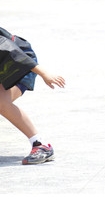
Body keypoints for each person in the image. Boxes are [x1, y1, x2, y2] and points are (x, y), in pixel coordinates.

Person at [0, 27, 65, 165]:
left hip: (21, 64)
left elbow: (17, 55)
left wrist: (44, 74)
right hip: (4, 66)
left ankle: (40, 145)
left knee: (1, 102)